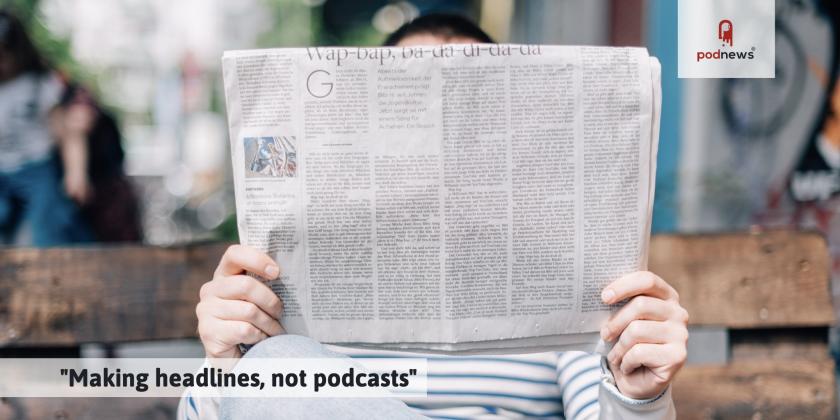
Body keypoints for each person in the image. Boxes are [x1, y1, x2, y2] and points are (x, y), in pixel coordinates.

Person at [182, 14, 687, 419]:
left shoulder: (567, 278)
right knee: (276, 370)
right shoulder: (288, 285)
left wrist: (638, 397)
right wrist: (224, 364)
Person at [0, 10, 93, 245]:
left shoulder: (39, 83)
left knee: (46, 225)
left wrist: (76, 173)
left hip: (37, 167)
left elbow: (68, 133)